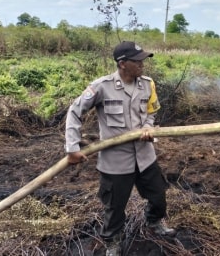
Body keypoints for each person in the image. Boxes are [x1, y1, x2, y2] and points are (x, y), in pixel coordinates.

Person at [64, 41, 176, 256]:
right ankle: (113, 241)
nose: (142, 64)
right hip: (115, 161)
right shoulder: (101, 87)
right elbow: (74, 112)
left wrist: (147, 126)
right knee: (114, 207)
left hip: (145, 156)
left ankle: (154, 221)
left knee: (159, 196)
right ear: (123, 64)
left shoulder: (148, 84)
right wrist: (72, 148)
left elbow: (151, 112)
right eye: (138, 61)